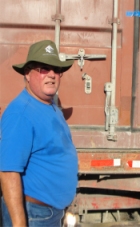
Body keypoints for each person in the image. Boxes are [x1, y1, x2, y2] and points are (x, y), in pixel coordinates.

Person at [0, 40, 78, 227]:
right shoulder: (21, 113)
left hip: (49, 213)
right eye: (44, 68)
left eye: (57, 70)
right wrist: (19, 224)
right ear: (28, 73)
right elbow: (8, 172)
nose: (52, 75)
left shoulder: (50, 106)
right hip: (34, 215)